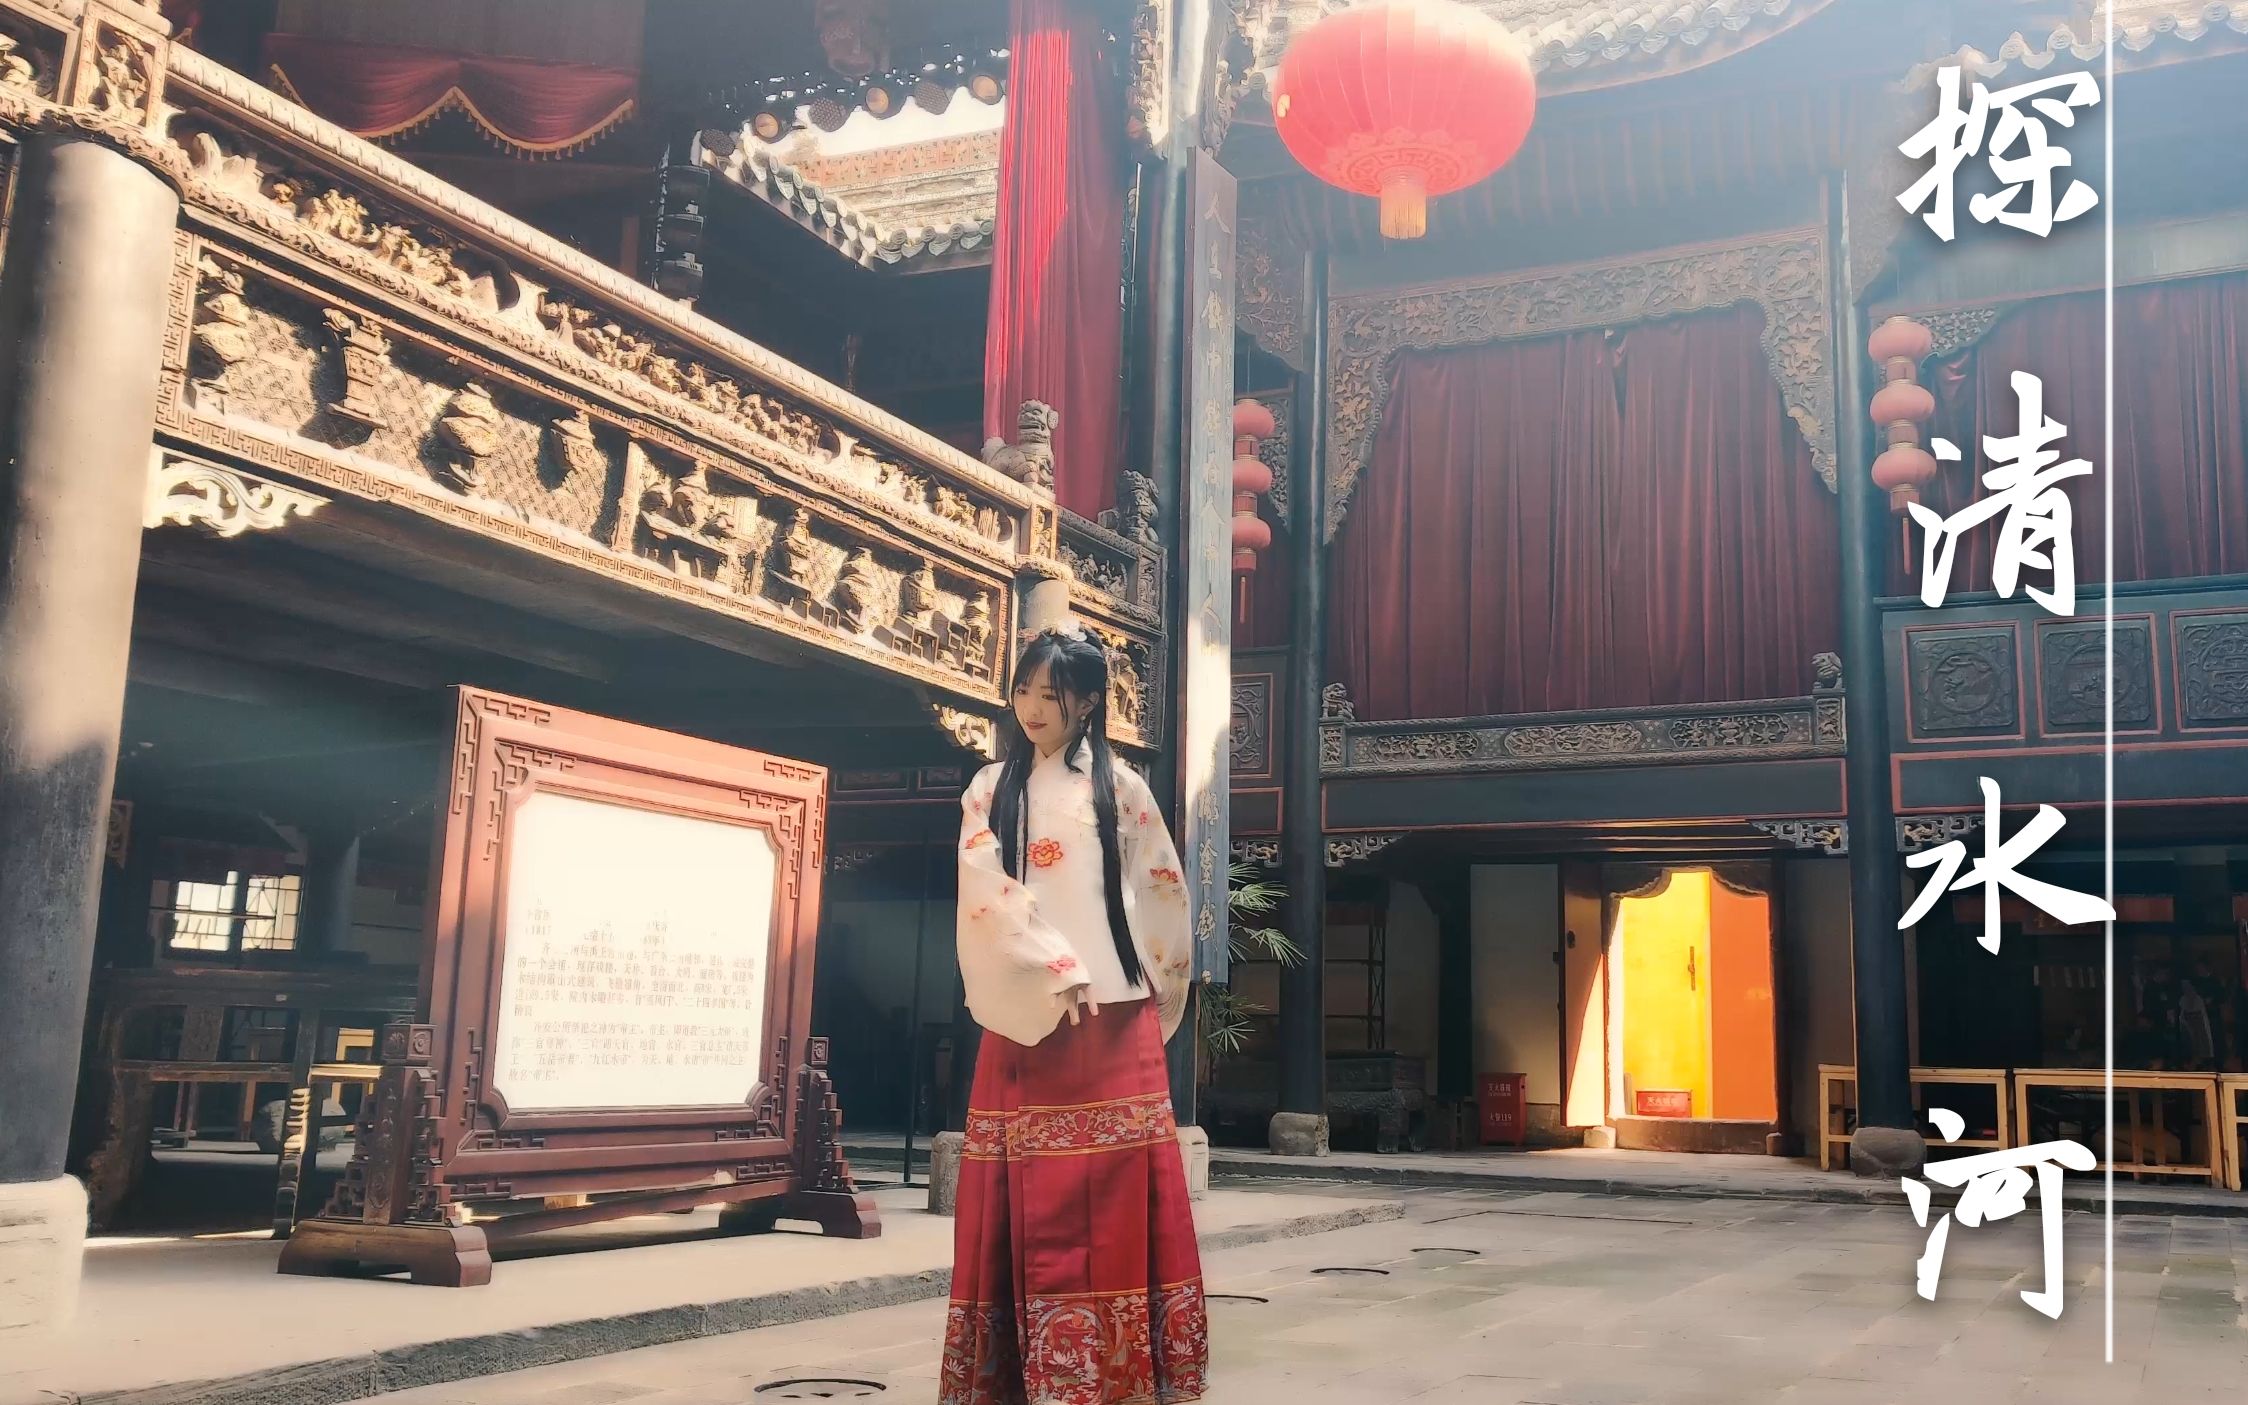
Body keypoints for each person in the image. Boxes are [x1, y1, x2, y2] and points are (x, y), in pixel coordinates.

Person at [940, 623, 1207, 1405]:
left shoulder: (1123, 788)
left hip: (1114, 1015)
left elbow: (1160, 890)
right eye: (1022, 689)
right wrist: (1053, 964)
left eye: (1050, 694)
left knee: (1121, 1193)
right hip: (1029, 1013)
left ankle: (1123, 1374)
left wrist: (1156, 983)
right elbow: (983, 891)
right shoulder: (990, 787)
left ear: (1088, 702)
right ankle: (1019, 1378)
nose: (1031, 706)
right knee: (1019, 1194)